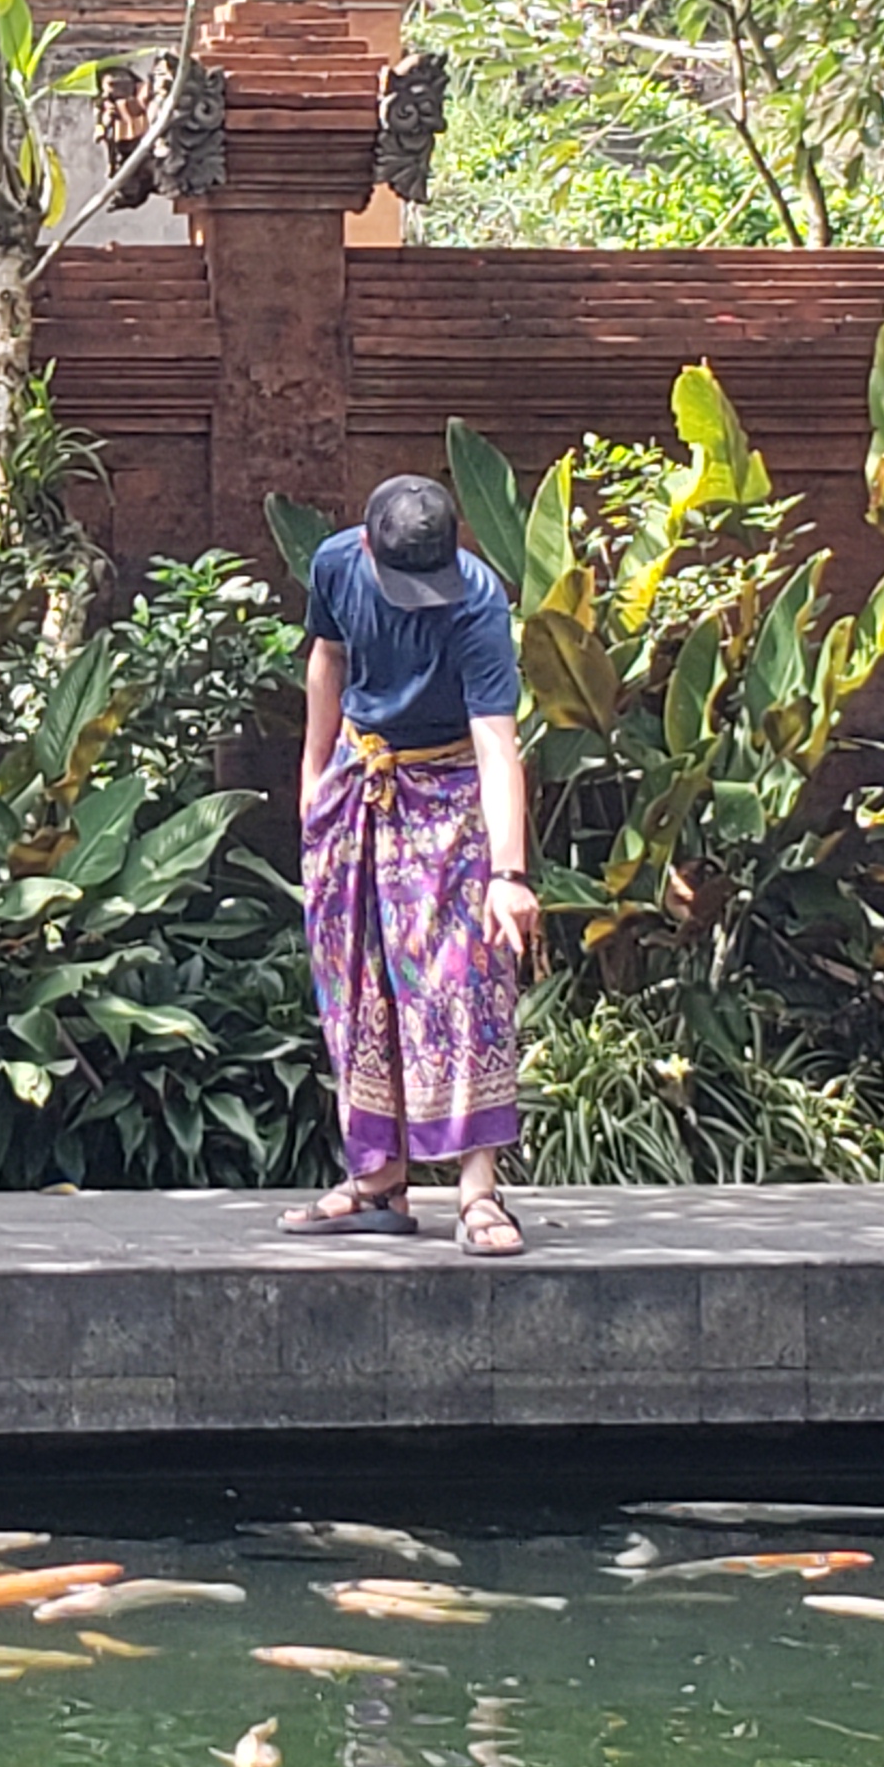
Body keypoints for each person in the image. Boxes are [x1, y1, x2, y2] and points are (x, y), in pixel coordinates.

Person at [285, 473, 538, 1257]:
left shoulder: (477, 601)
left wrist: (509, 875)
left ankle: (478, 1194)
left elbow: (497, 741)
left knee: (463, 980)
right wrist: (312, 777)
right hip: (361, 783)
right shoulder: (334, 565)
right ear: (367, 547)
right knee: (356, 986)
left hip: (453, 789)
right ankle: (377, 1181)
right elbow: (327, 660)